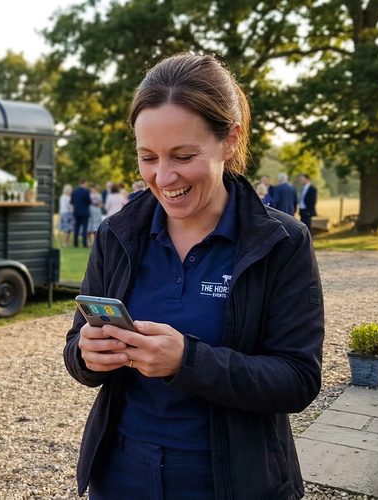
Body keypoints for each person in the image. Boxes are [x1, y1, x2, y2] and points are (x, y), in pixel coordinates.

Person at [63, 53, 324, 499]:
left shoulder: (282, 241)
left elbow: (298, 379)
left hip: (232, 482)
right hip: (121, 475)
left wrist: (187, 361)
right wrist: (88, 356)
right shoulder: (118, 233)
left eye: (184, 155)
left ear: (230, 139)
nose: (163, 178)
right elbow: (77, 352)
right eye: (147, 157)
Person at [71, 179, 92, 248]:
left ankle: (75, 243)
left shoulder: (74, 191)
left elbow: (71, 201)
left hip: (76, 212)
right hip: (85, 212)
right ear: (84, 183)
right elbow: (89, 201)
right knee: (84, 229)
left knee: (76, 228)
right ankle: (84, 244)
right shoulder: (86, 192)